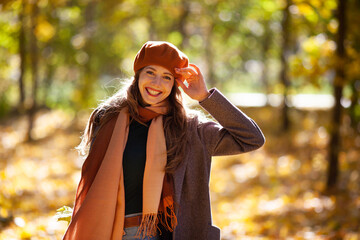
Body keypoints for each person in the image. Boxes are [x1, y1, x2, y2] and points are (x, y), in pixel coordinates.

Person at [63, 41, 265, 240]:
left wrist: (204, 97)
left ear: (174, 84)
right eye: (150, 72)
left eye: (166, 77)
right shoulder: (108, 118)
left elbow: (251, 138)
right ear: (138, 75)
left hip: (165, 235)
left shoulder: (189, 128)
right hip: (108, 230)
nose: (156, 84)